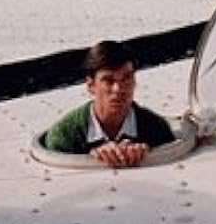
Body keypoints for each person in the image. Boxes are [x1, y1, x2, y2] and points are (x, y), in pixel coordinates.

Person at [43, 40, 175, 167]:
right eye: (108, 80)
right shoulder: (64, 136)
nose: (118, 89)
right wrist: (92, 159)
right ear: (91, 85)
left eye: (126, 78)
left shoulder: (157, 130)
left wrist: (148, 153)